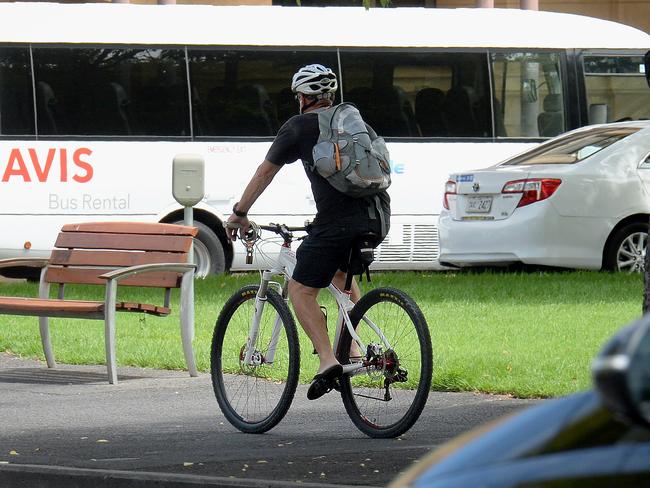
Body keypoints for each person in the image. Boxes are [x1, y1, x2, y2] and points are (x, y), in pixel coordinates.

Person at [225, 64, 390, 400]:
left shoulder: (298, 127)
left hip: (338, 223)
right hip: (377, 217)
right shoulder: (357, 123)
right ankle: (355, 350)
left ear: (302, 98)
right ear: (329, 97)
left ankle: (328, 360)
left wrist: (240, 213)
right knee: (340, 273)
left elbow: (264, 173)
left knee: (301, 289)